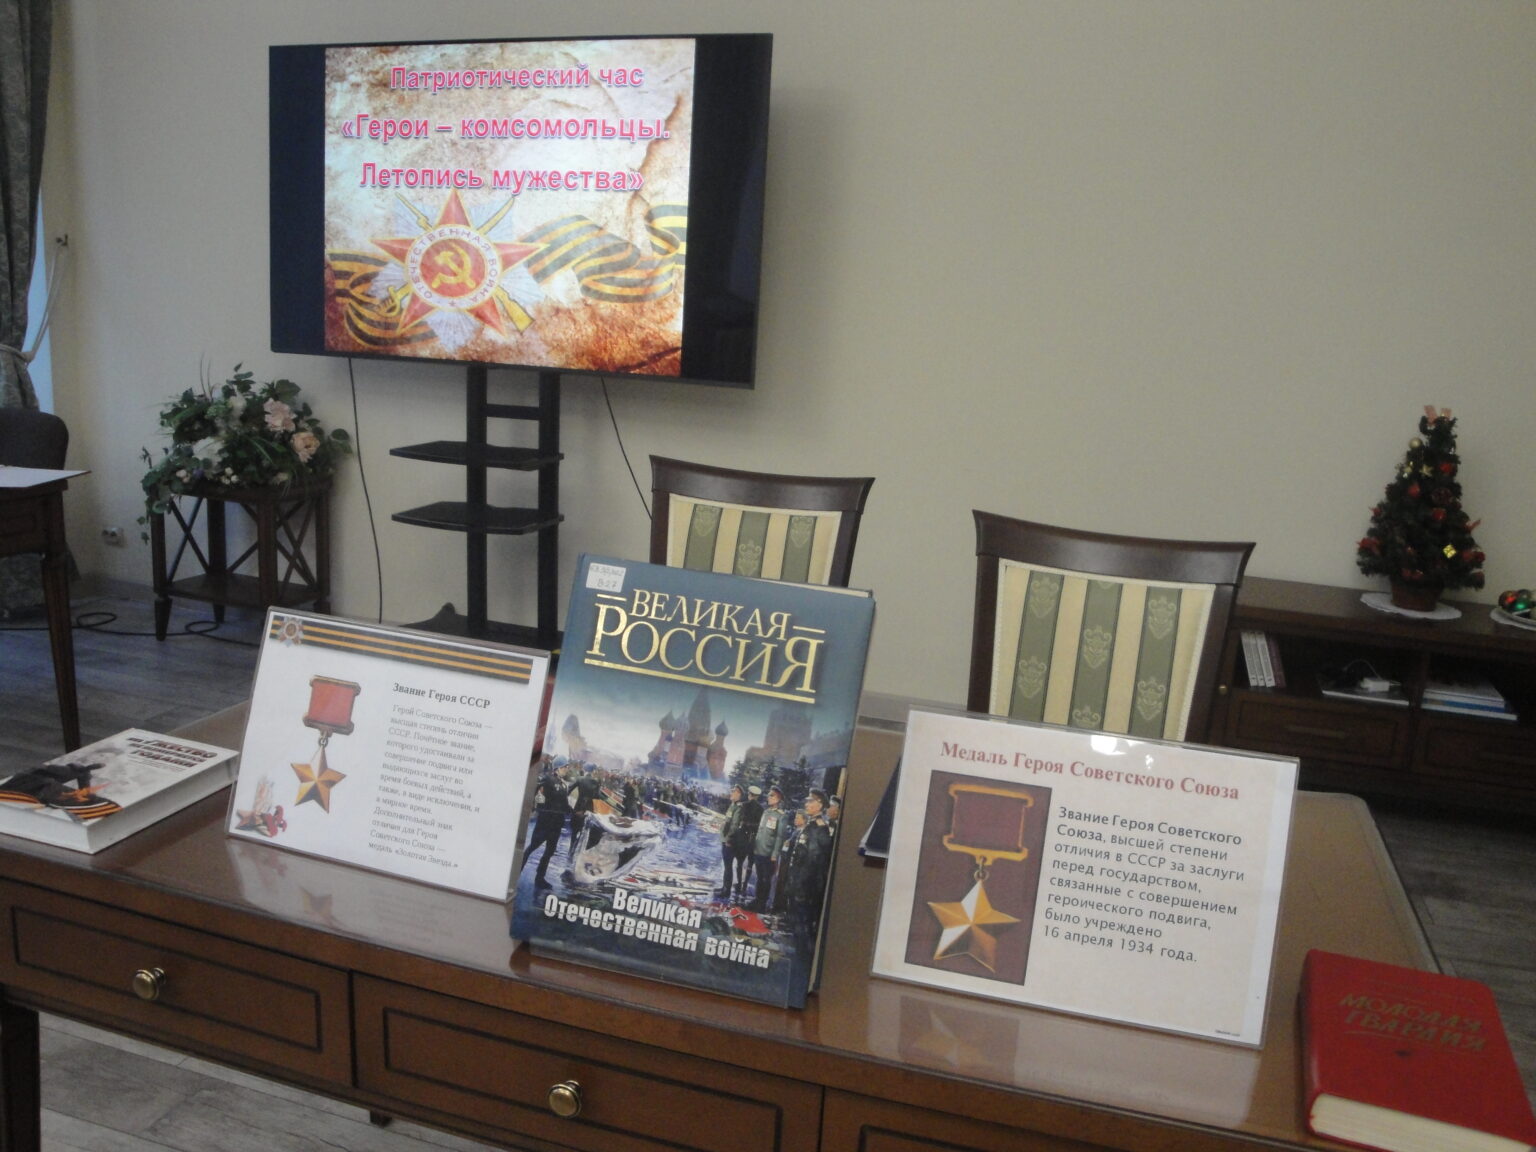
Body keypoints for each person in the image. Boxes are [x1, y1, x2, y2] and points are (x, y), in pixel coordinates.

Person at [781, 789, 834, 941]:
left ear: (820, 805)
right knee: (795, 921)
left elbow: (813, 861)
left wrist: (800, 884)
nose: (806, 804)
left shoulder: (819, 828)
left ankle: (801, 950)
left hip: (804, 885)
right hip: (798, 881)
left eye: (810, 801)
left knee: (802, 924)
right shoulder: (810, 825)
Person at [519, 760, 569, 889]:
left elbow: (565, 804)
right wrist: (538, 806)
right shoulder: (547, 779)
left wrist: (575, 813)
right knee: (532, 847)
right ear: (558, 768)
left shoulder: (564, 784)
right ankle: (517, 871)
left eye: (567, 767)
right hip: (545, 821)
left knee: (550, 851)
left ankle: (540, 878)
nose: (566, 769)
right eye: (565, 767)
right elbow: (536, 792)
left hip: (557, 823)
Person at [748, 784, 792, 911]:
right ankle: (757, 900)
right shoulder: (766, 812)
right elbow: (761, 831)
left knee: (766, 879)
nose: (768, 797)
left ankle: (762, 903)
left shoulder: (781, 816)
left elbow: (779, 837)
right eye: (769, 795)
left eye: (771, 795)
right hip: (759, 849)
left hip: (768, 852)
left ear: (778, 799)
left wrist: (774, 854)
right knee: (759, 877)